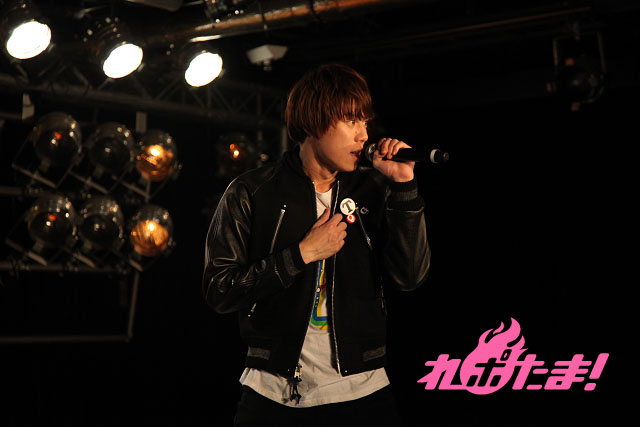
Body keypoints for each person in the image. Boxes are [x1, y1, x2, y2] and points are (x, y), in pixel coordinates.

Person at [202, 63, 430, 426]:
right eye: (351, 121)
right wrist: (301, 255)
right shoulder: (252, 191)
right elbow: (220, 290)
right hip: (271, 391)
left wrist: (404, 188)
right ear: (313, 122)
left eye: (365, 122)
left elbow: (410, 277)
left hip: (362, 389)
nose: (363, 135)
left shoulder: (373, 188)